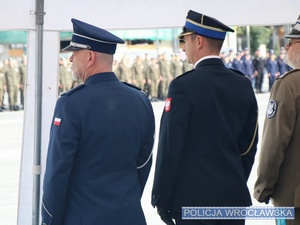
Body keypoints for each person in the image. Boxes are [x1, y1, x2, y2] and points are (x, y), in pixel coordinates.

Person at [42, 18, 155, 225]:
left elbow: (57, 173)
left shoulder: (71, 104)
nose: (70, 60)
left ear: (90, 56)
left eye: (74, 54)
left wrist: (49, 220)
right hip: (130, 216)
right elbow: (144, 163)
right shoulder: (140, 100)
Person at [151, 10, 258, 225]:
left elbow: (170, 149)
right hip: (232, 201)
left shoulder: (182, 86)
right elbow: (249, 146)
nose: (183, 48)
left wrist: (161, 198)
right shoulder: (242, 84)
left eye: (185, 41)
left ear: (198, 41)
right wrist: (233, 181)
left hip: (193, 202)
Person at [254, 14, 300, 225]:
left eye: (289, 43)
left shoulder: (289, 86)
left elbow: (274, 144)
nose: (286, 48)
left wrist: (264, 187)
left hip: (294, 200)